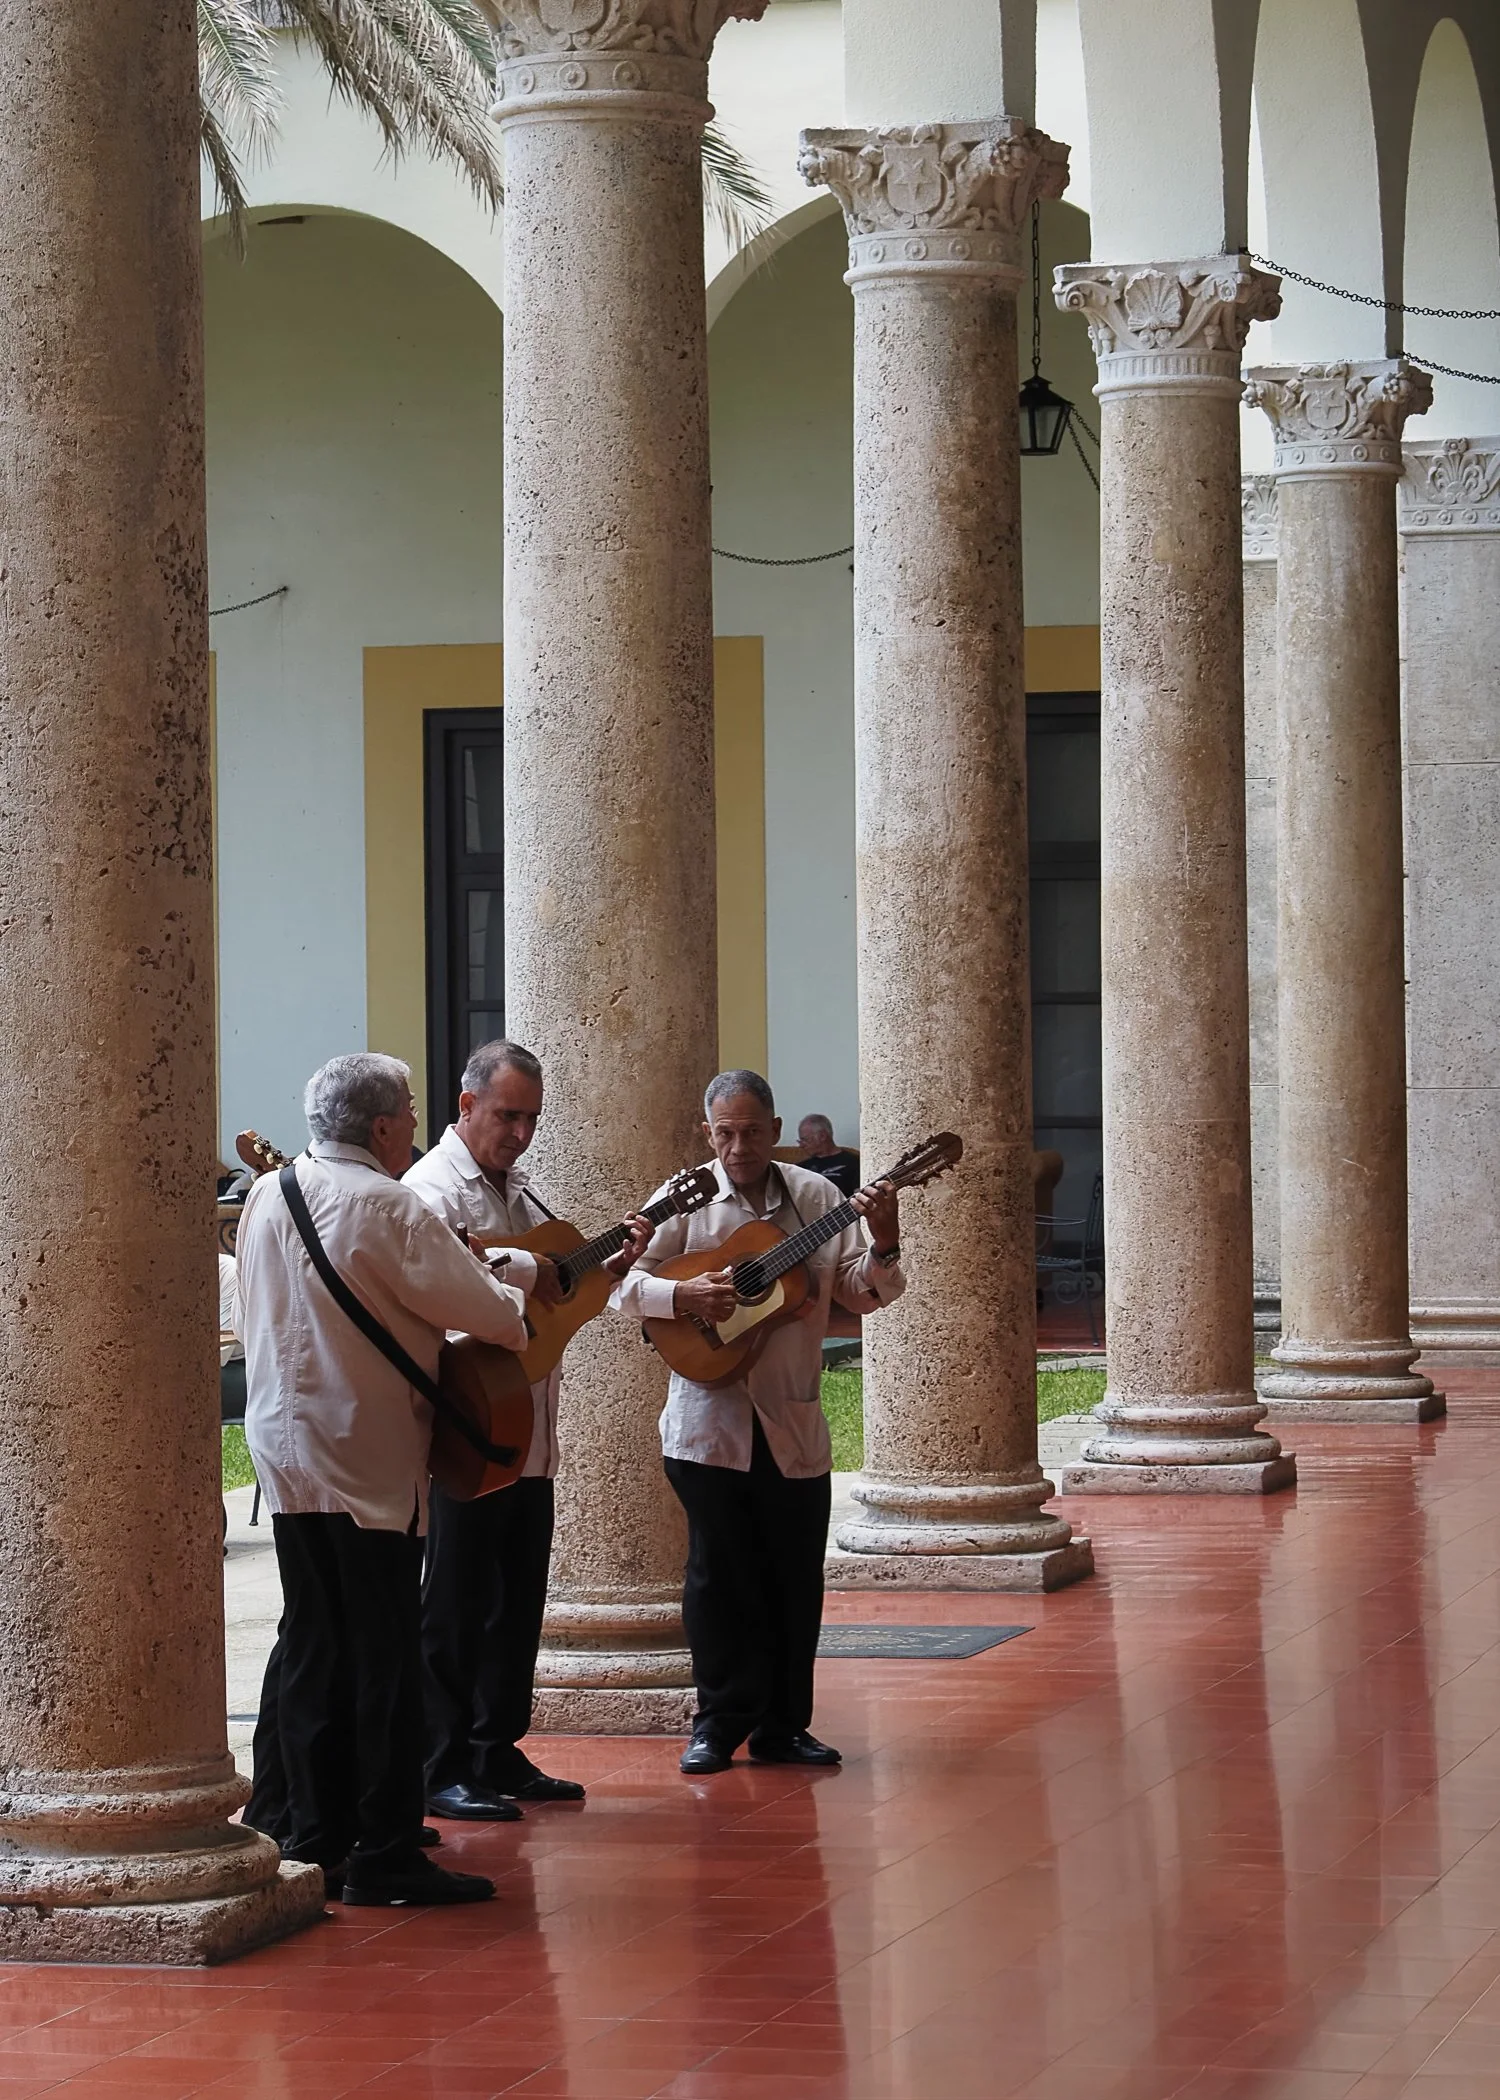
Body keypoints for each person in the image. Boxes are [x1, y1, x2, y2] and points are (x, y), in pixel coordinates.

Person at [237, 1051, 534, 1907]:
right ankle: (388, 1851)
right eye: (408, 1109)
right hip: (363, 1456)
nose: (416, 1121)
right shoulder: (389, 1205)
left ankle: (312, 1830)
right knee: (384, 1658)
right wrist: (505, 1287)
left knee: (312, 1643)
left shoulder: (269, 1192)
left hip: (284, 1451)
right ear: (381, 1127)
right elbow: (493, 1321)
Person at [612, 1069, 905, 1775]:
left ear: (775, 1132)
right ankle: (716, 1723)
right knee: (718, 1579)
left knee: (794, 1579)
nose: (738, 1146)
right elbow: (623, 1284)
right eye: (724, 1133)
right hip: (706, 1426)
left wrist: (885, 1238)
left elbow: (864, 1294)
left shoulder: (818, 1198)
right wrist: (684, 1294)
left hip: (790, 1423)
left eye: (750, 1132)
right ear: (706, 1133)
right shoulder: (683, 1197)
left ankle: (783, 1725)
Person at [405, 1040, 652, 1820]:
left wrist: (610, 1264)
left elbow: (562, 1279)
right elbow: (444, 1274)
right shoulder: (429, 1188)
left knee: (515, 1599)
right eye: (508, 1115)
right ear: (466, 1105)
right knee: (454, 1602)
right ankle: (440, 1763)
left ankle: (496, 1746)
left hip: (529, 1432)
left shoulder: (522, 1191)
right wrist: (524, 1269)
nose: (520, 1133)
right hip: (468, 1428)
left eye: (532, 1119)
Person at [796, 1114, 862, 1197]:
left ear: (822, 1136)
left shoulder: (854, 1163)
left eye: (805, 1140)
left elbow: (860, 1198)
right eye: (800, 1141)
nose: (801, 1145)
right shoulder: (799, 1168)